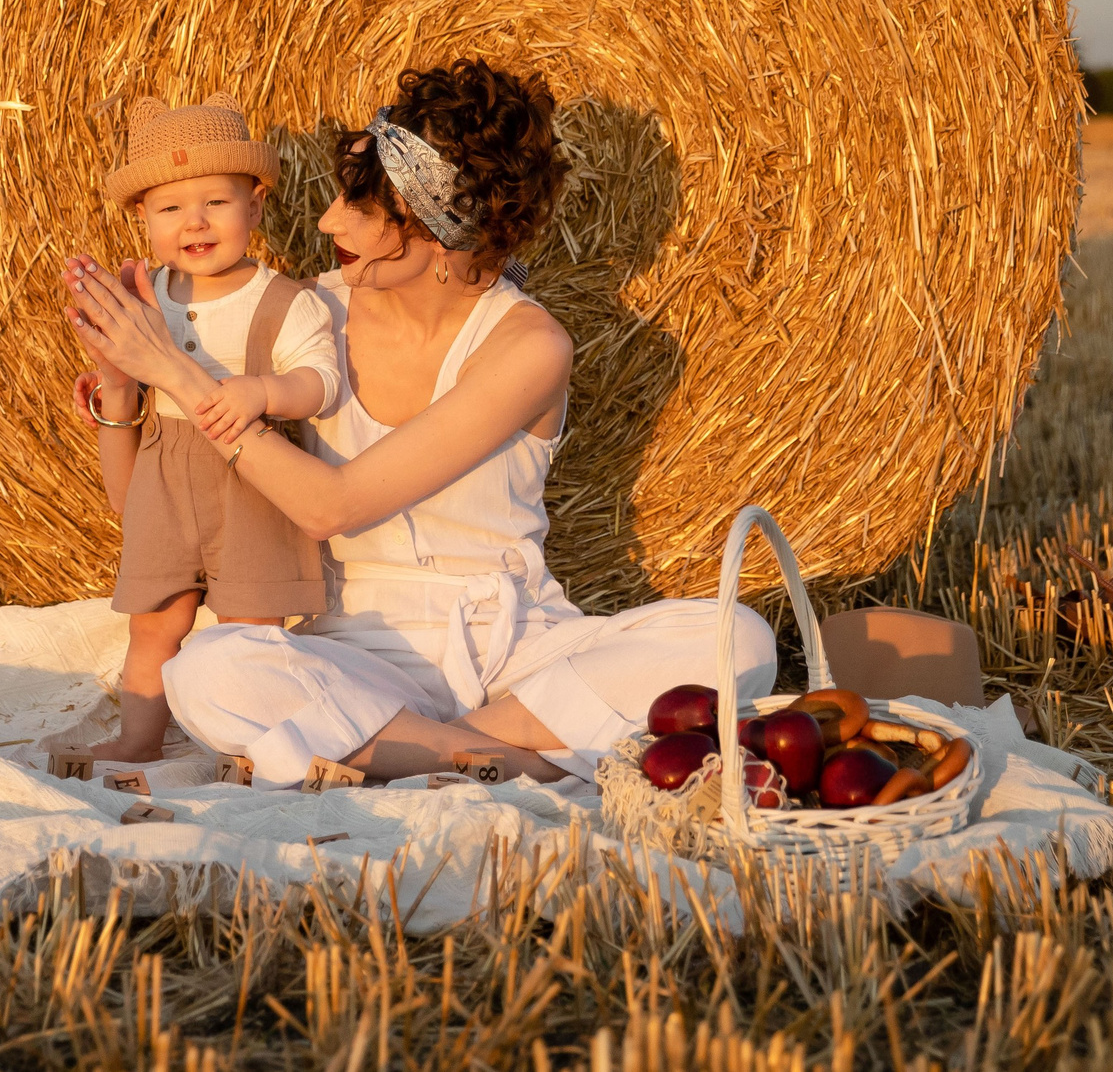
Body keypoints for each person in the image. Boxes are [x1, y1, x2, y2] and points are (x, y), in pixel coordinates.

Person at [63, 60, 771, 788]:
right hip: (358, 649)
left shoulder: (526, 344)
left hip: (519, 648)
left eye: (359, 210)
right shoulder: (305, 316)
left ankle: (428, 748)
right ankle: (520, 757)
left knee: (736, 638)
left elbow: (331, 504)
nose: (326, 220)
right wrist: (121, 395)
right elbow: (149, 508)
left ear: (439, 234)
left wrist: (179, 372)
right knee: (209, 671)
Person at [74, 95, 342, 763]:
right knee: (152, 625)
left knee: (250, 632)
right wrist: (113, 385)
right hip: (167, 475)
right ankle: (138, 739)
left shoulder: (285, 299)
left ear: (254, 205)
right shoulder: (144, 294)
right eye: (170, 208)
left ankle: (250, 740)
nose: (194, 221)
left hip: (251, 482)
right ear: (143, 217)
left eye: (216, 203)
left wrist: (265, 390)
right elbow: (125, 381)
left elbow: (321, 380)